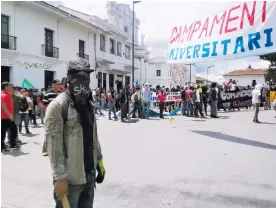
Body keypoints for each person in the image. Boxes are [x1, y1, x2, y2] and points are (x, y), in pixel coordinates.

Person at [44, 58, 106, 208]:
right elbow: (53, 146)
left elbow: (93, 134)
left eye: (86, 75)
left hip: (89, 175)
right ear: (70, 77)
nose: (83, 79)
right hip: (70, 179)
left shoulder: (88, 104)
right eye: (79, 75)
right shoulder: (58, 106)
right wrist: (60, 177)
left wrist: (99, 160)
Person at [42, 79, 61, 156]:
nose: (60, 85)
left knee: (59, 133)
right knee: (48, 133)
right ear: (53, 85)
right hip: (50, 117)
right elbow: (44, 105)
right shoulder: (47, 94)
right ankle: (45, 149)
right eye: (58, 84)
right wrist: (47, 116)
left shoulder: (61, 93)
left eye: (60, 84)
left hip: (59, 116)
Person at [1, 82, 20, 151]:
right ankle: (10, 144)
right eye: (10, 86)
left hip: (5, 117)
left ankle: (7, 145)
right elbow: (3, 106)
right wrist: (10, 115)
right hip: (6, 117)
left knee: (6, 131)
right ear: (6, 87)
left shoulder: (6, 94)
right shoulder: (5, 95)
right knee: (13, 130)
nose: (12, 87)